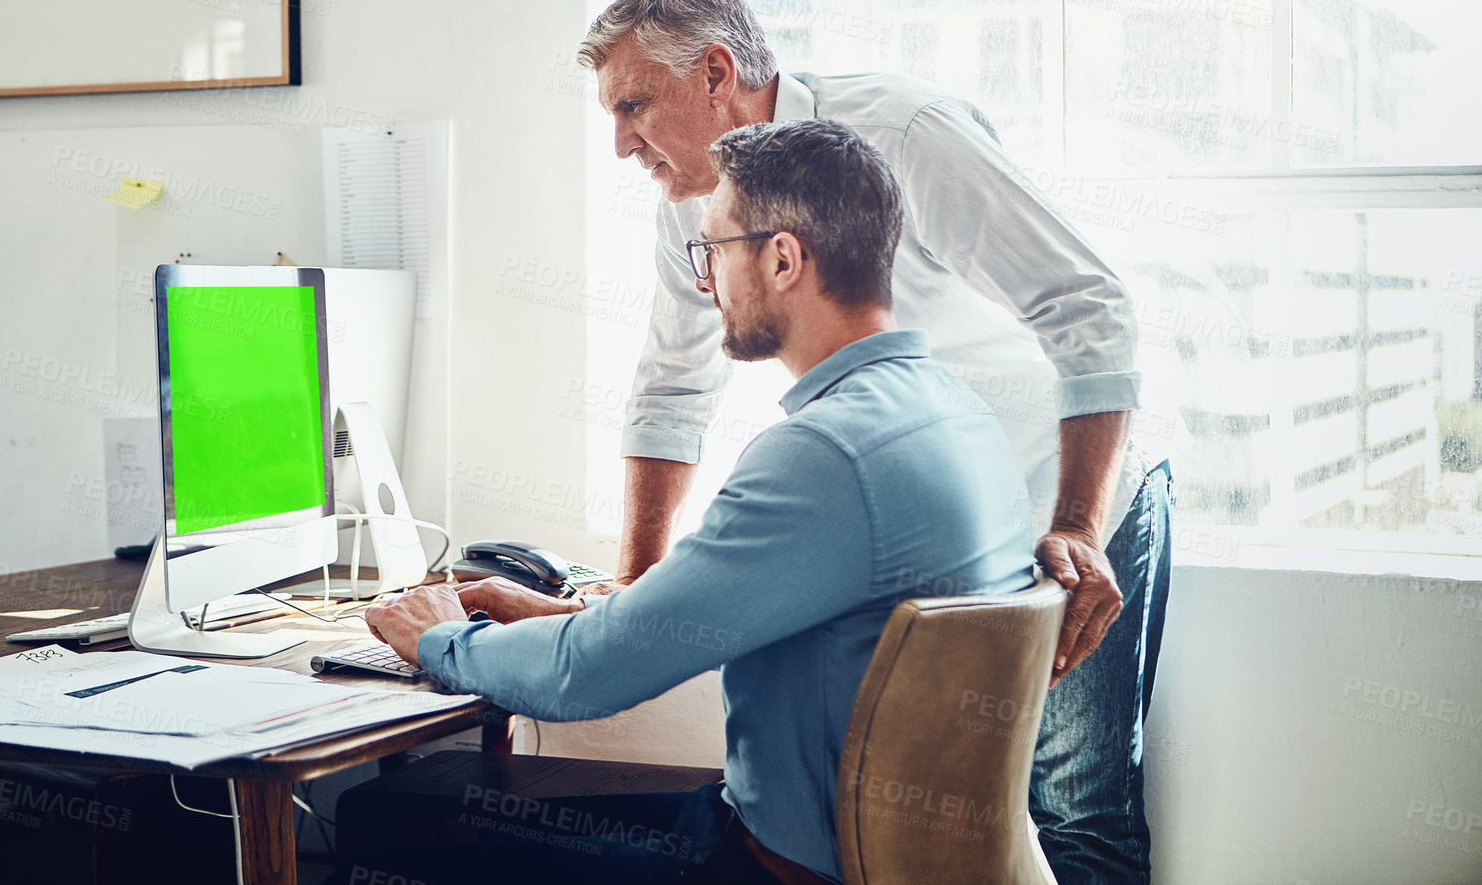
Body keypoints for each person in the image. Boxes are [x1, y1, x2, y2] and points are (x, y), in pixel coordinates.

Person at [574, 0, 1178, 884]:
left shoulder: (905, 135)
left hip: (1076, 480)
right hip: (944, 509)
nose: (621, 144)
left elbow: (1090, 308)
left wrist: (1079, 527)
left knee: (1072, 813)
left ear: (714, 72)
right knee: (954, 809)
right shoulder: (691, 201)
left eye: (633, 106)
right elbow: (671, 388)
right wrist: (636, 583)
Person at [365, 119, 1037, 884]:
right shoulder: (952, 412)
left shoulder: (823, 453)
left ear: (783, 258)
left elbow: (587, 680)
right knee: (426, 810)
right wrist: (573, 618)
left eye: (713, 249)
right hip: (867, 851)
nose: (702, 280)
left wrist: (437, 638)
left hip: (772, 865)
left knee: (392, 830)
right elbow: (724, 625)